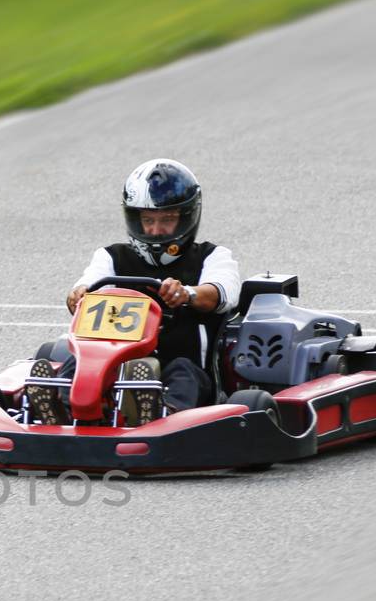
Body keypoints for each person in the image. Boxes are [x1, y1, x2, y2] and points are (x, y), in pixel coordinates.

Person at [27, 158, 240, 424]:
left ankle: (164, 413)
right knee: (79, 362)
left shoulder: (213, 257)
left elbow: (220, 293)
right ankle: (62, 410)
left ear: (187, 217)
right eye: (147, 220)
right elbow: (90, 282)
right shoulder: (111, 257)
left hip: (186, 371)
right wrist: (79, 294)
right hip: (116, 367)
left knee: (184, 372)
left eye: (167, 220)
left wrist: (187, 294)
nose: (155, 230)